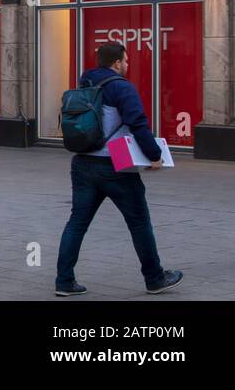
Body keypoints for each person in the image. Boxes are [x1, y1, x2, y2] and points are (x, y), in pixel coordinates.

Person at [54, 42, 183, 296]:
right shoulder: (121, 87)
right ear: (116, 63)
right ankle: (154, 278)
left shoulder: (86, 83)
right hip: (115, 166)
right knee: (139, 222)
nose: (127, 64)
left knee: (77, 223)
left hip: (82, 163)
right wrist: (154, 155)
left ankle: (64, 282)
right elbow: (137, 122)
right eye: (125, 60)